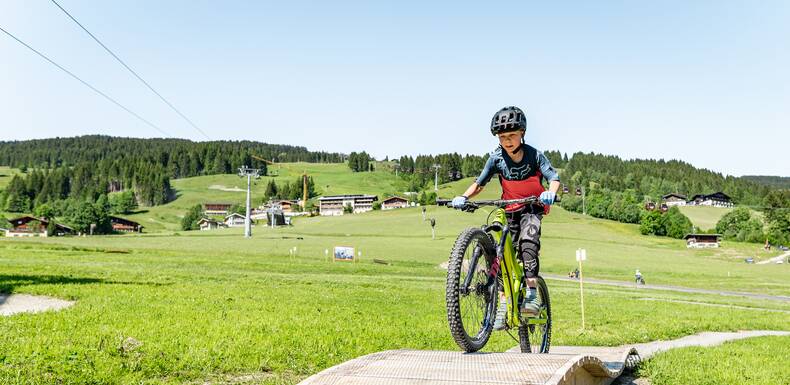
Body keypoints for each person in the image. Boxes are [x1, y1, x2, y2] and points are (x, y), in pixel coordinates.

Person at [450, 106, 560, 330]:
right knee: (499, 250)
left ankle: (531, 294)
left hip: (532, 207)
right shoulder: (496, 159)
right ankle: (503, 302)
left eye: (512, 135)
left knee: (528, 243)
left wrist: (551, 192)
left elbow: (554, 178)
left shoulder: (534, 155)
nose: (507, 141)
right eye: (502, 137)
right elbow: (479, 184)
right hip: (509, 209)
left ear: (522, 134)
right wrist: (463, 196)